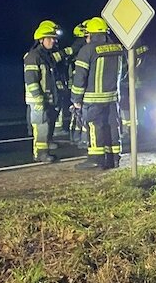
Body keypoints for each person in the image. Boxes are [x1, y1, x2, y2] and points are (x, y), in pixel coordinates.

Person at [70, 17, 124, 170]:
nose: (86, 39)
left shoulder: (87, 50)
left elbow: (80, 77)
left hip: (93, 99)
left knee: (95, 127)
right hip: (113, 98)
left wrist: (76, 99)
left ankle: (96, 159)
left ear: (91, 35)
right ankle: (113, 158)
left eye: (86, 36)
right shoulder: (118, 48)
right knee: (113, 126)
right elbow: (124, 71)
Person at [23, 20, 64, 163]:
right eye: (50, 38)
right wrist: (38, 98)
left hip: (49, 98)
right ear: (41, 40)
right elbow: (31, 80)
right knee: (41, 127)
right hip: (38, 100)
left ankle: (45, 149)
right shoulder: (33, 57)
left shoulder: (46, 56)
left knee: (47, 125)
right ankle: (40, 154)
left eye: (54, 38)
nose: (53, 41)